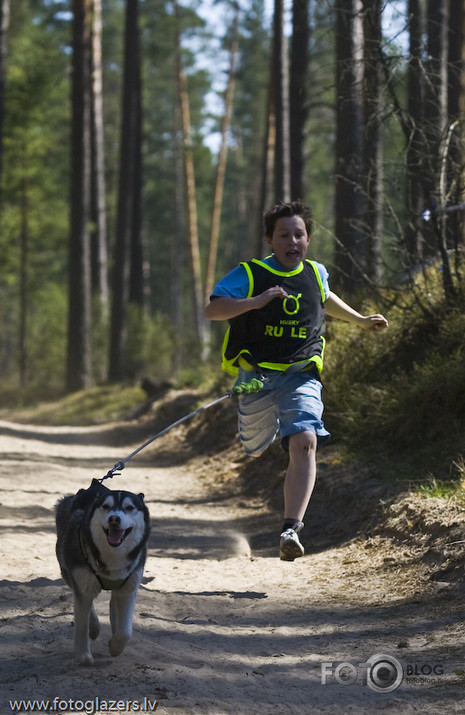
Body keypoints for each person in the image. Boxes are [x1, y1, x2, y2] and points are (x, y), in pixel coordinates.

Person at [204, 200, 388, 561]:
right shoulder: (251, 273)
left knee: (305, 439)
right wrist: (255, 302)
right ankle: (266, 432)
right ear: (270, 240)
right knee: (254, 447)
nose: (293, 241)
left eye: (299, 234)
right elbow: (213, 309)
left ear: (308, 239)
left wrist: (361, 321)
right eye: (284, 235)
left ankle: (291, 528)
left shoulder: (316, 273)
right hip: (255, 378)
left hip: (300, 374)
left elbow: (325, 298)